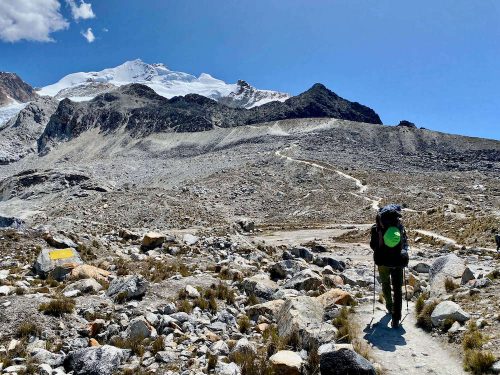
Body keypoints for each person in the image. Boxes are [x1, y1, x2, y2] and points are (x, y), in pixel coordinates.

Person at [370, 204, 409, 328]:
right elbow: (404, 244)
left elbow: (372, 246)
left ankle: (389, 306)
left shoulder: (376, 228)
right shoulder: (399, 226)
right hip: (397, 260)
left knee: (386, 284)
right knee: (397, 288)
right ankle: (396, 318)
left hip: (382, 261)